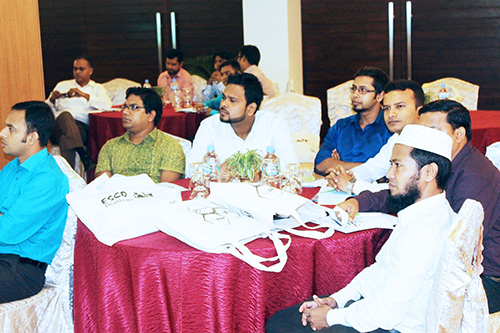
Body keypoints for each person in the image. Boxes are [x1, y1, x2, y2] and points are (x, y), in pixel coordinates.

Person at [266, 125, 455, 332]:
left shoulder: (423, 231)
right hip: (379, 312)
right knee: (283, 322)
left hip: (393, 327)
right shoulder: (424, 212)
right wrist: (335, 300)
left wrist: (330, 317)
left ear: (429, 172)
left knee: (281, 326)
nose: (389, 174)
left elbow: (386, 313)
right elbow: (381, 269)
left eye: (398, 166)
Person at [342, 100, 500, 314]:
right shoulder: (439, 163)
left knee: (391, 301)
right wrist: (359, 201)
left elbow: (458, 246)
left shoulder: (474, 177)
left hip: (482, 282)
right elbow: (404, 193)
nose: (425, 137)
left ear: (459, 134)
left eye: (433, 130)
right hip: (445, 266)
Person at [0, 101, 69, 303]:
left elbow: (8, 231)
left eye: (10, 129)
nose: (2, 133)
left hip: (21, 269)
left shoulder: (47, 178)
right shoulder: (12, 169)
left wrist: (5, 219)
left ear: (32, 137)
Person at [326, 80, 424, 195]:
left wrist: (352, 185)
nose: (391, 114)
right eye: (387, 108)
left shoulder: (426, 141)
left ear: (419, 111)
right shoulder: (398, 137)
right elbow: (373, 168)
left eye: (399, 106)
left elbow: (404, 191)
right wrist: (342, 176)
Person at [188, 73, 298, 172]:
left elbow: (290, 165)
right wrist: (218, 170)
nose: (223, 105)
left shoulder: (274, 124)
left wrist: (259, 173)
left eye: (232, 100)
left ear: (251, 108)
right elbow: (192, 169)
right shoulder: (209, 126)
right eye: (224, 98)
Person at [95, 87, 185, 183]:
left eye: (134, 107)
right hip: (116, 196)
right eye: (125, 107)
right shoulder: (110, 147)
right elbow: (101, 187)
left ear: (151, 115)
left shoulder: (169, 146)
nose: (125, 112)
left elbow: (167, 190)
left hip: (154, 197)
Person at [314, 67, 391, 175]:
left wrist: (338, 164)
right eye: (354, 89)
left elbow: (388, 172)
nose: (355, 95)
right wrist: (372, 169)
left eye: (363, 90)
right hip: (336, 189)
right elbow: (320, 165)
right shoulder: (340, 127)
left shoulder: (390, 127)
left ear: (379, 96)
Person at [46, 55, 112, 171]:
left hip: (81, 129)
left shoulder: (97, 88)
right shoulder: (62, 85)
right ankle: (83, 155)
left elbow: (107, 105)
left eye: (81, 69)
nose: (77, 72)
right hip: (58, 127)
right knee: (66, 116)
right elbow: (45, 109)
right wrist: (51, 100)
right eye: (75, 69)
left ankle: (70, 177)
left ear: (90, 71)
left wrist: (84, 95)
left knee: (66, 139)